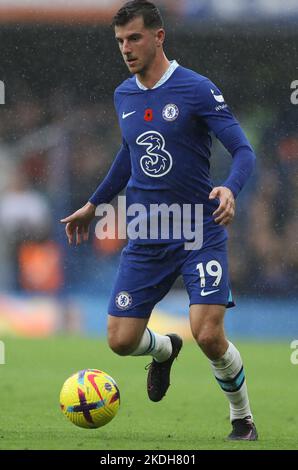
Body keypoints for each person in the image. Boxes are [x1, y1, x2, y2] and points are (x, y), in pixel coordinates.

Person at [61, 0, 257, 441]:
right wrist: (95, 205)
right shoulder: (124, 94)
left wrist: (230, 187)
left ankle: (241, 417)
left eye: (134, 38)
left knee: (208, 334)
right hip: (148, 233)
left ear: (158, 36)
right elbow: (129, 154)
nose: (126, 49)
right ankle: (165, 349)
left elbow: (244, 150)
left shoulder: (197, 89)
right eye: (120, 42)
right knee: (120, 340)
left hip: (197, 230)